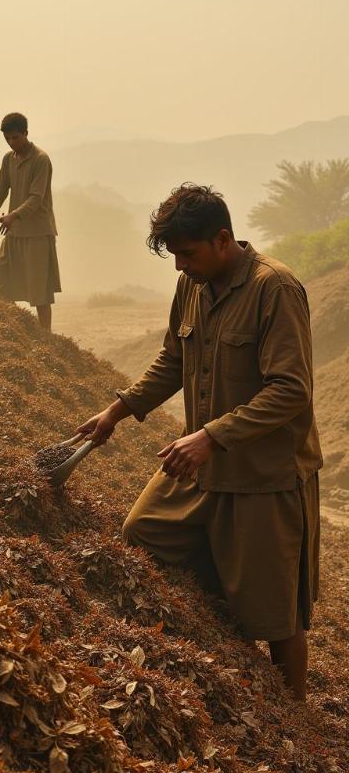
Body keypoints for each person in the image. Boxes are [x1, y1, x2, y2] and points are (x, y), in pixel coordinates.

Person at [78, 184, 322, 701]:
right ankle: (219, 654)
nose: (178, 266)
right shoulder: (192, 285)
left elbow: (291, 390)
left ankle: (294, 717)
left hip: (264, 476)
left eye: (186, 253)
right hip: (204, 467)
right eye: (174, 255)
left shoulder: (274, 289)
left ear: (223, 239)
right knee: (144, 530)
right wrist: (117, 411)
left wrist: (211, 436)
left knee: (274, 612)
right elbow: (173, 360)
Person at [0, 113, 60, 331]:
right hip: (13, 233)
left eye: (15, 137)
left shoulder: (41, 159)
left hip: (37, 233)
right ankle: (10, 331)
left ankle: (45, 339)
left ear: (26, 134)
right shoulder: (8, 159)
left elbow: (36, 198)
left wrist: (13, 215)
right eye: (8, 138)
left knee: (40, 294)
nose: (12, 142)